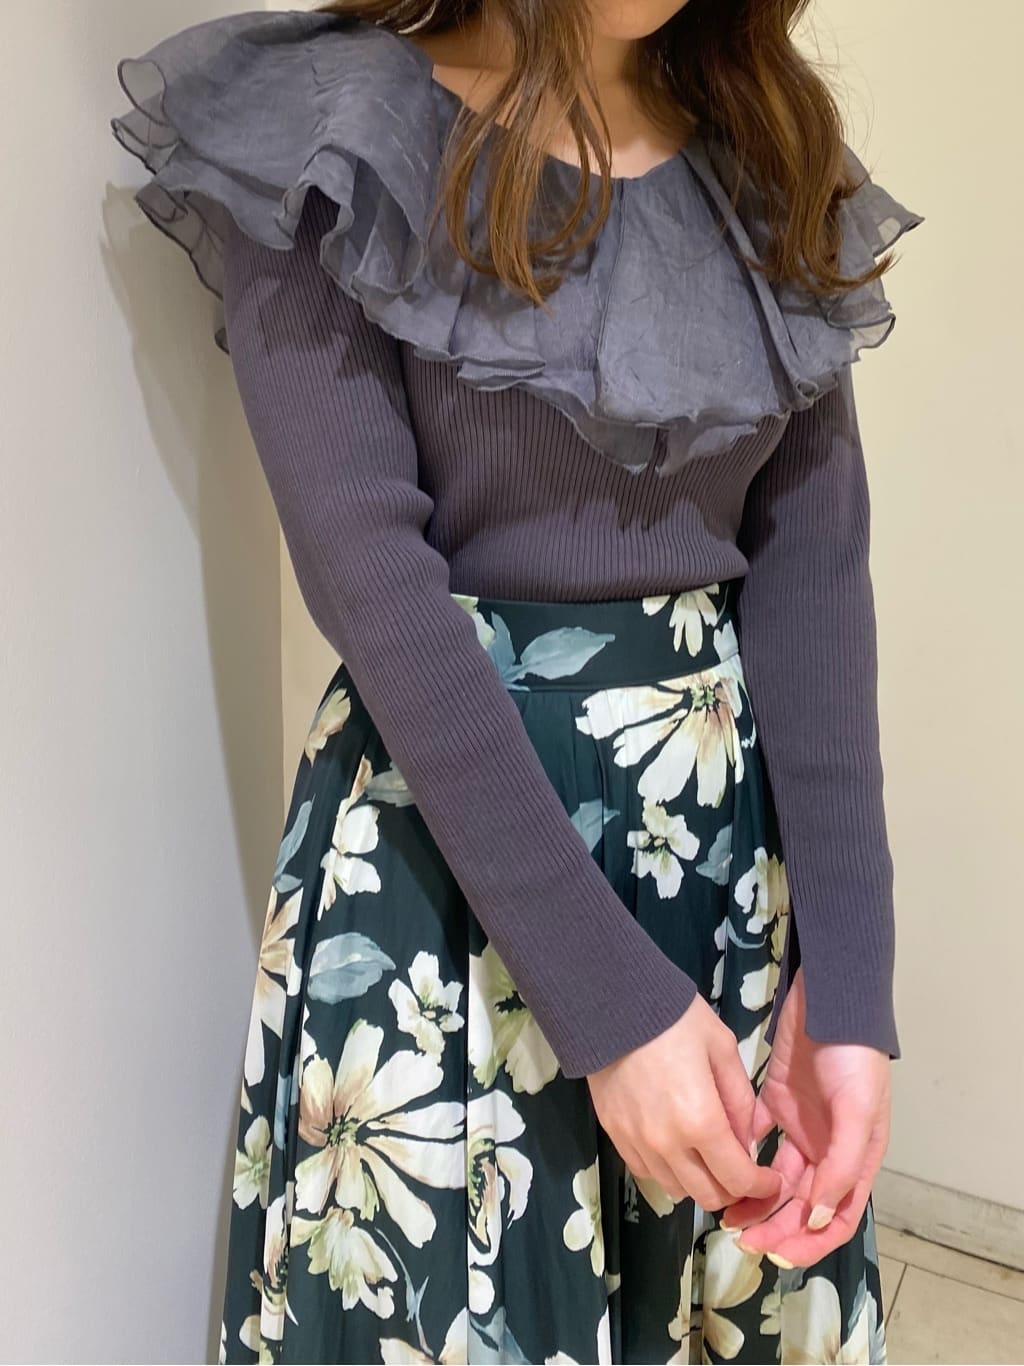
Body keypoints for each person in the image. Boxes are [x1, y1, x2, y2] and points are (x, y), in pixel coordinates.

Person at [109, 3, 923, 1362]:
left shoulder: (765, 153)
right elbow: (374, 586)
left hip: (720, 869)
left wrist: (850, 988)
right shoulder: (341, 134)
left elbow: (816, 578)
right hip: (453, 872)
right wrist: (611, 1008)